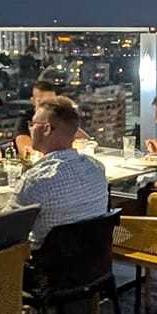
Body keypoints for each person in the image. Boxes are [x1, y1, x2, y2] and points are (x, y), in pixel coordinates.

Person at [13, 95, 108, 248]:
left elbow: (1, 232)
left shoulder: (35, 181)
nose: (30, 129)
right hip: (95, 258)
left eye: (33, 124)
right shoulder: (97, 168)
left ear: (46, 129)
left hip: (44, 261)